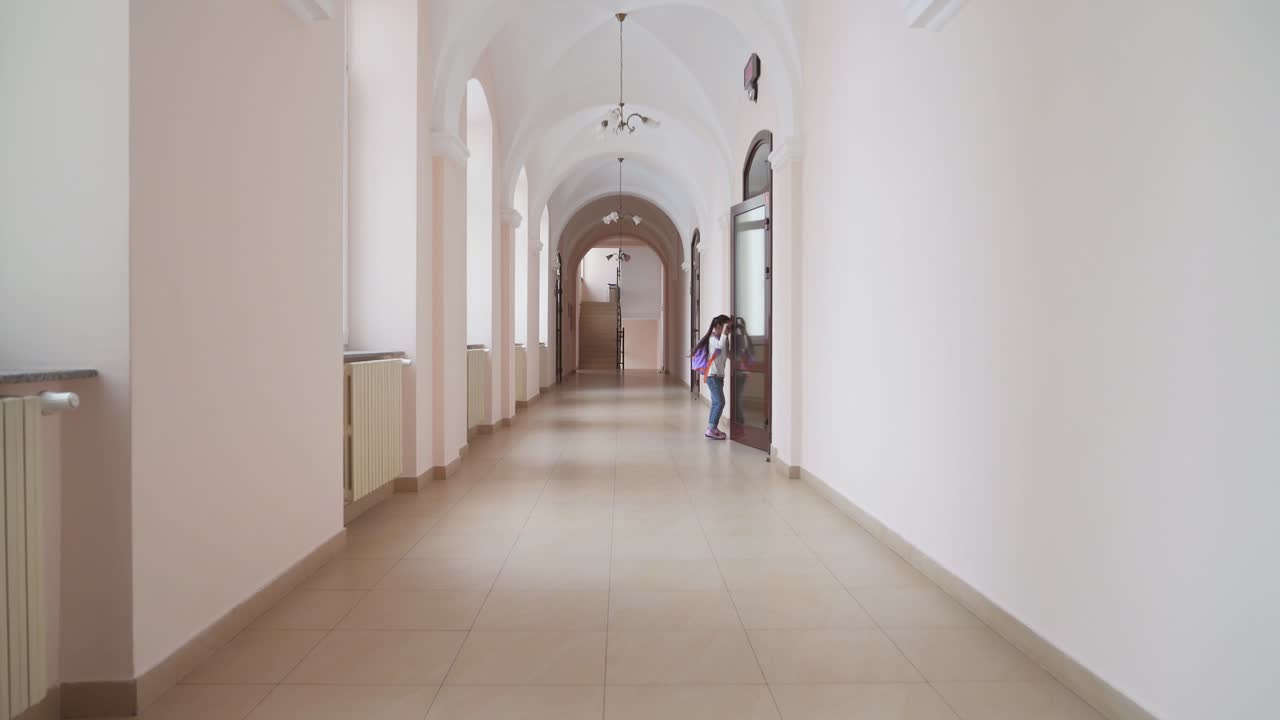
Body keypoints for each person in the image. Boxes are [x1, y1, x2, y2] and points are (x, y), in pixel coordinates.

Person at [691, 315, 731, 439]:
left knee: (715, 402)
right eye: (726, 326)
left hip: (718, 376)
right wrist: (725, 334)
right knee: (720, 402)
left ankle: (712, 427)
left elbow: (726, 354)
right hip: (712, 376)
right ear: (718, 326)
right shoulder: (712, 339)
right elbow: (718, 348)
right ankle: (711, 429)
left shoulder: (722, 339)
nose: (729, 329)